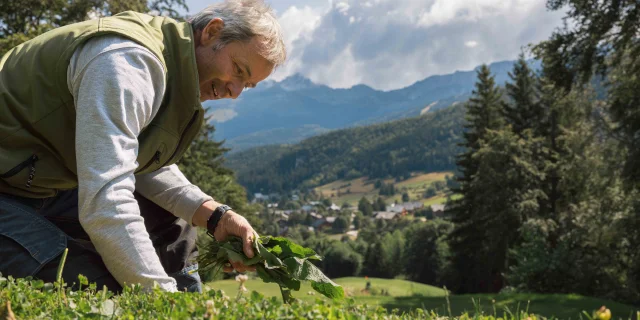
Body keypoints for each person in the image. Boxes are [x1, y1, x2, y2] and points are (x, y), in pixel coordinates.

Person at [0, 0, 285, 293]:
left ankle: (195, 307)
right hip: (8, 191)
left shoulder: (172, 65)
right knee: (101, 287)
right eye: (238, 70)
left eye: (247, 85)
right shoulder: (125, 65)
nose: (235, 92)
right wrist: (161, 299)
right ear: (211, 32)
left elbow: (131, 158)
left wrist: (215, 215)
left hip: (42, 187)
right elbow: (106, 201)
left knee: (176, 222)